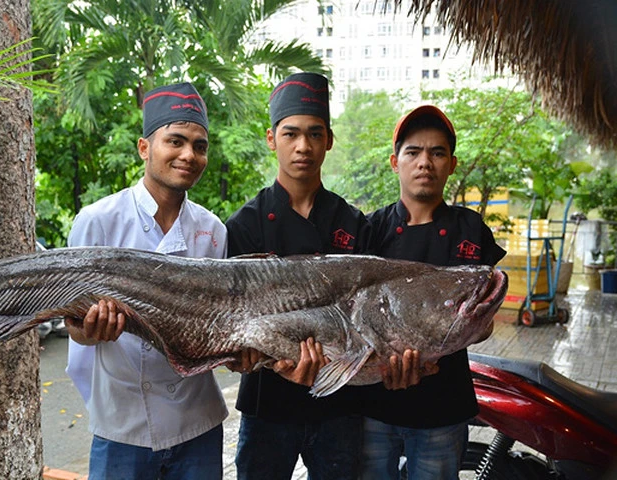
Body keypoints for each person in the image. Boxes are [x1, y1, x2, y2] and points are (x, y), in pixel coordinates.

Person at [226, 72, 424, 480]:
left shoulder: (354, 223)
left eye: (315, 134)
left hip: (341, 410)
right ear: (271, 138)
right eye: (291, 134)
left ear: (329, 141)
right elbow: (236, 319)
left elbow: (375, 314)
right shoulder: (244, 224)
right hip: (268, 407)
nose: (303, 146)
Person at [64, 82, 228, 480]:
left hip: (198, 425)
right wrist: (91, 330)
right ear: (144, 147)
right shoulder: (98, 221)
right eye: (175, 141)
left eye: (200, 146)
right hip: (122, 426)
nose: (189, 155)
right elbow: (72, 323)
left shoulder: (213, 231)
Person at [361, 105, 507, 480]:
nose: (425, 162)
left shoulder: (470, 227)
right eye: (413, 152)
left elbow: (489, 317)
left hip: (443, 406)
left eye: (437, 152)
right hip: (372, 405)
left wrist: (471, 325)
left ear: (452, 164)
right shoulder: (370, 230)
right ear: (395, 162)